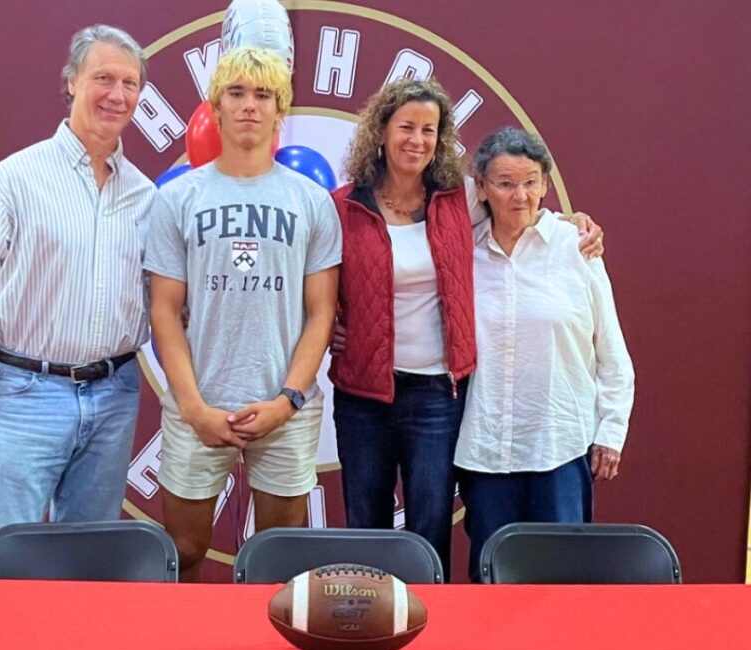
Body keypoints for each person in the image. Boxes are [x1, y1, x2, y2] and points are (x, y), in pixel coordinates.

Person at [329, 78, 603, 578]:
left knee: (430, 530)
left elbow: (520, 204)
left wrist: (574, 223)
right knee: (365, 526)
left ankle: (428, 633)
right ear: (381, 132)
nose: (417, 139)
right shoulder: (343, 205)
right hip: (362, 396)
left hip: (435, 394)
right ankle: (363, 629)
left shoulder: (458, 201)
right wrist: (329, 329)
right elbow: (318, 284)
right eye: (406, 127)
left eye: (429, 130)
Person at [0, 25, 156, 544]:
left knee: (87, 559)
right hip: (28, 394)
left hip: (116, 393)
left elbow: (163, 305)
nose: (117, 95)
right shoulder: (12, 182)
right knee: (3, 551)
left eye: (130, 83)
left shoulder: (146, 196)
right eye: (103, 78)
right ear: (71, 83)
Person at [145, 47, 342, 582]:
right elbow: (164, 312)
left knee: (278, 560)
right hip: (199, 404)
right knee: (182, 552)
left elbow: (321, 315)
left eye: (263, 96)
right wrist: (193, 407)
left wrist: (288, 400)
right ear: (217, 106)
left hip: (283, 408)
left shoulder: (311, 201)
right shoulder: (178, 199)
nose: (249, 106)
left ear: (281, 111)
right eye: (237, 93)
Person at [454, 127, 634, 581]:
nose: (521, 195)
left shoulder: (577, 248)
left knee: (564, 581)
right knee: (492, 580)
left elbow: (611, 350)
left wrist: (611, 430)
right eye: (506, 183)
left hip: (560, 445)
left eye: (532, 181)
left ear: (546, 185)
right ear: (481, 187)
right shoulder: (460, 252)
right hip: (486, 449)